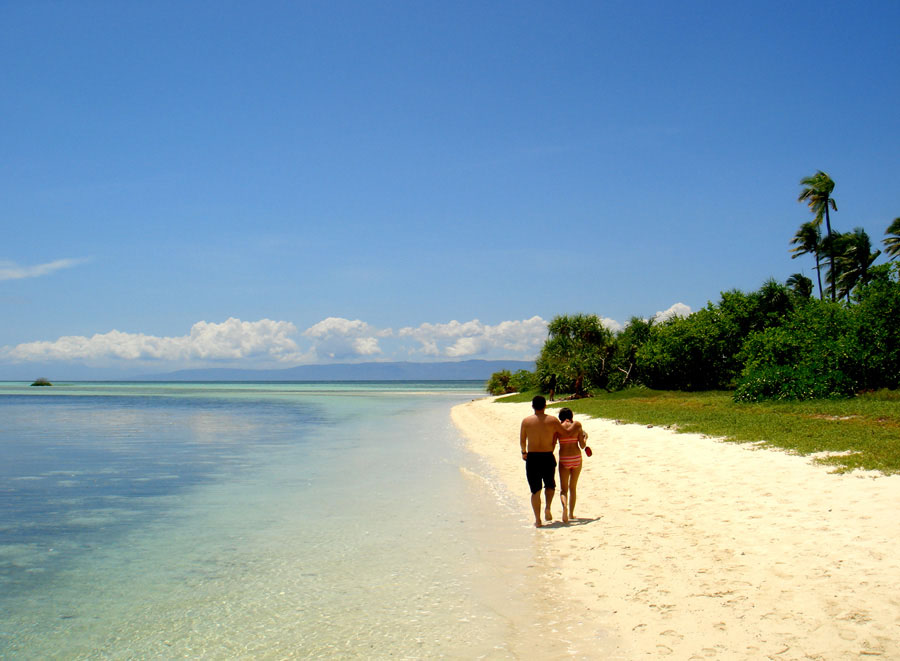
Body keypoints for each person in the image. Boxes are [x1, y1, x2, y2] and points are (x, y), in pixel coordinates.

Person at [520, 395, 568, 527]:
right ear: (545, 405)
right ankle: (547, 507)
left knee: (535, 490)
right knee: (550, 485)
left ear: (532, 406)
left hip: (533, 457)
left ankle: (538, 519)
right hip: (547, 455)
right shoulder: (552, 420)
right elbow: (564, 432)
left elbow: (523, 440)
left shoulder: (526, 421)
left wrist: (524, 452)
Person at [557, 407, 587, 523]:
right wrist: (584, 437)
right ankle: (571, 513)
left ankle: (564, 507)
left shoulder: (558, 427)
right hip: (576, 457)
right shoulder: (577, 425)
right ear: (571, 416)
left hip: (564, 458)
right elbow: (582, 445)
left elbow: (553, 442)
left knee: (564, 489)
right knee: (572, 487)